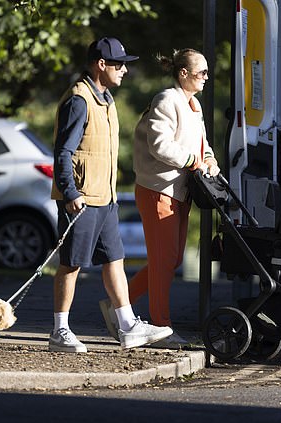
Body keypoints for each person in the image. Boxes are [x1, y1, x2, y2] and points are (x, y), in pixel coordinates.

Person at [50, 37, 173, 353]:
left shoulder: (105, 99)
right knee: (72, 264)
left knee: (114, 260)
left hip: (105, 197)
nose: (125, 71)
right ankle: (59, 331)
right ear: (100, 64)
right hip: (81, 198)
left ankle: (128, 325)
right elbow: (63, 152)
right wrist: (70, 192)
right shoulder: (79, 100)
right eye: (118, 64)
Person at [127, 48, 219, 348]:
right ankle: (161, 327)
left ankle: (119, 305)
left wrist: (210, 160)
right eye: (201, 71)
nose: (206, 76)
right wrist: (195, 160)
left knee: (171, 259)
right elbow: (160, 146)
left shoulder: (194, 105)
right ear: (183, 73)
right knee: (164, 260)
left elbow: (202, 145)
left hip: (179, 191)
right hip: (158, 189)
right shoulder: (167, 100)